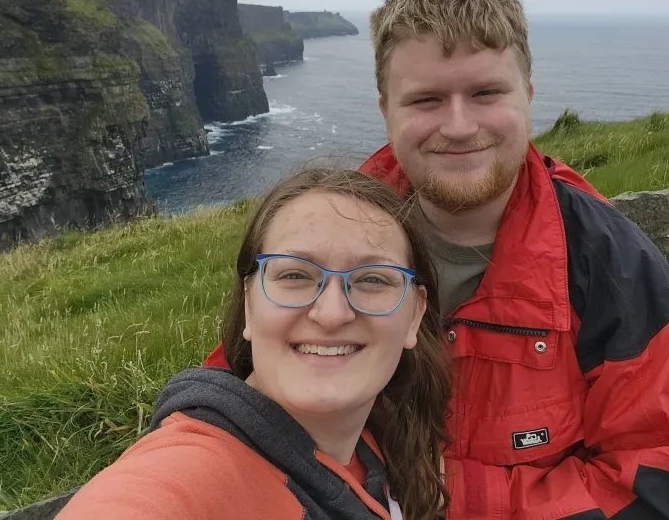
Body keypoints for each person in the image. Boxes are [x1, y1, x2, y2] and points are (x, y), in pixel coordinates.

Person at [205, 0, 669, 518]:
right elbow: (223, 419)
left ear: (528, 92)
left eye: (485, 93)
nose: (458, 126)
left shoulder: (612, 266)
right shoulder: (314, 234)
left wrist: (427, 493)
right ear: (385, 109)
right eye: (426, 100)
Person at [59, 168, 452, 520]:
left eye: (373, 279)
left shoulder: (389, 440)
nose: (332, 314)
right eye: (296, 275)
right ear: (249, 303)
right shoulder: (193, 474)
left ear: (414, 314)